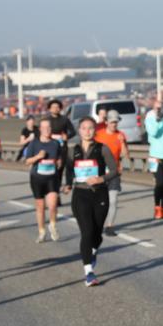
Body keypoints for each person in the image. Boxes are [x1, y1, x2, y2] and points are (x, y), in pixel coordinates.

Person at [62, 117, 117, 287]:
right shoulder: (73, 150)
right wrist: (68, 184)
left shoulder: (102, 148)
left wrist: (101, 179)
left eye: (91, 128)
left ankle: (92, 251)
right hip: (80, 195)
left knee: (97, 234)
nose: (87, 131)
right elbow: (68, 170)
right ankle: (89, 272)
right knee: (86, 232)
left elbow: (114, 170)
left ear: (95, 130)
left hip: (100, 195)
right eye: (84, 128)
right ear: (79, 131)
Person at [23, 118, 62, 242]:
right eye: (44, 127)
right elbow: (27, 161)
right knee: (40, 206)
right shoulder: (34, 143)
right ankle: (41, 232)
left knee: (53, 204)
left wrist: (59, 162)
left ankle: (52, 225)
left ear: (51, 129)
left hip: (52, 178)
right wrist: (38, 157)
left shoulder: (56, 143)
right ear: (40, 129)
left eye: (48, 127)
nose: (46, 129)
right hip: (37, 178)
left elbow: (59, 158)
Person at [94, 110, 130, 236]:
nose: (114, 124)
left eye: (116, 122)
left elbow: (125, 155)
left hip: (114, 172)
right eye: (112, 122)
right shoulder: (99, 135)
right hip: (100, 171)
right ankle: (97, 223)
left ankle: (109, 226)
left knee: (113, 200)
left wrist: (122, 142)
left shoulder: (121, 135)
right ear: (106, 122)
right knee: (99, 200)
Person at [47, 99, 76, 199]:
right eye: (53, 107)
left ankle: (56, 194)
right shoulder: (46, 121)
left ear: (60, 109)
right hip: (49, 149)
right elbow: (40, 133)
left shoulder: (64, 119)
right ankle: (50, 192)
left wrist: (67, 136)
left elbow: (73, 131)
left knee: (60, 170)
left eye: (57, 107)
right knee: (52, 171)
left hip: (62, 148)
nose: (55, 109)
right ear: (49, 109)